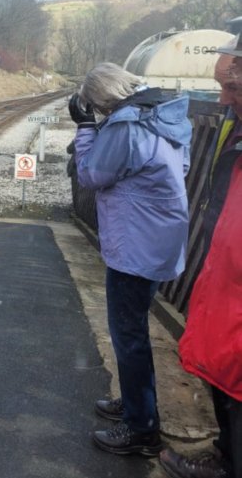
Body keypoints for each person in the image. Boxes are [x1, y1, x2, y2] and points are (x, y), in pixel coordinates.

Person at [69, 62, 191, 456]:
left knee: (128, 336)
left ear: (101, 99)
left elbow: (90, 175)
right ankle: (138, 404)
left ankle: (141, 430)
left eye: (94, 105)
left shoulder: (126, 126)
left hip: (136, 247)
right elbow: (182, 167)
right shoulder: (162, 113)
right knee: (133, 330)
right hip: (160, 239)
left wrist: (86, 128)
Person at [159, 31, 242, 478]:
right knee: (225, 390)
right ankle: (224, 459)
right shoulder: (233, 124)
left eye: (233, 88)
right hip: (223, 288)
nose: (224, 100)